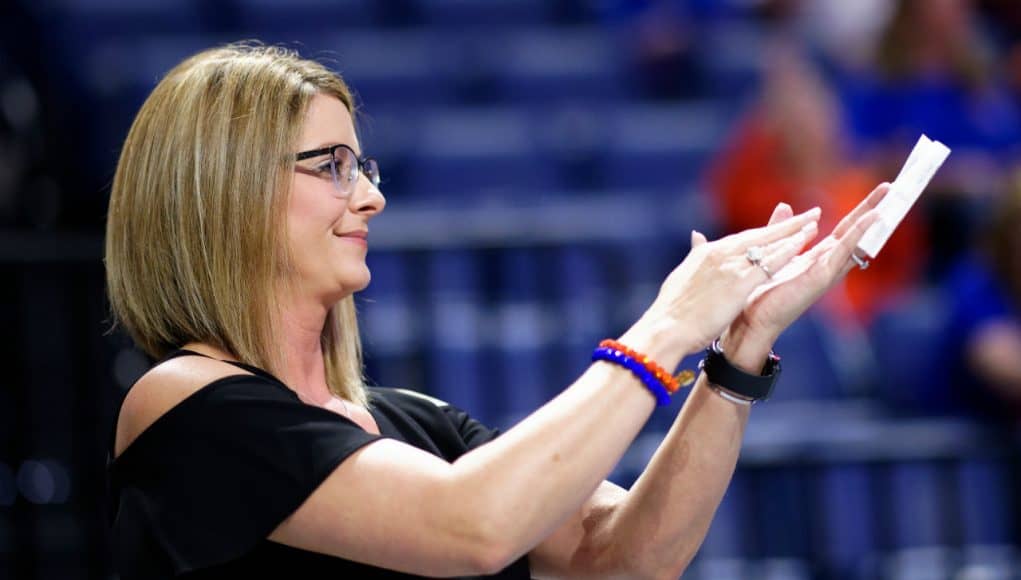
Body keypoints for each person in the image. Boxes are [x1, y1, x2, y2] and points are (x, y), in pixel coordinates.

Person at [104, 43, 886, 579]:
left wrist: (735, 353)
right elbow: (472, 527)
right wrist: (664, 326)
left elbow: (628, 559)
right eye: (332, 167)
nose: (371, 197)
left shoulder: (411, 423)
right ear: (223, 189)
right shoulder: (182, 402)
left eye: (362, 166)